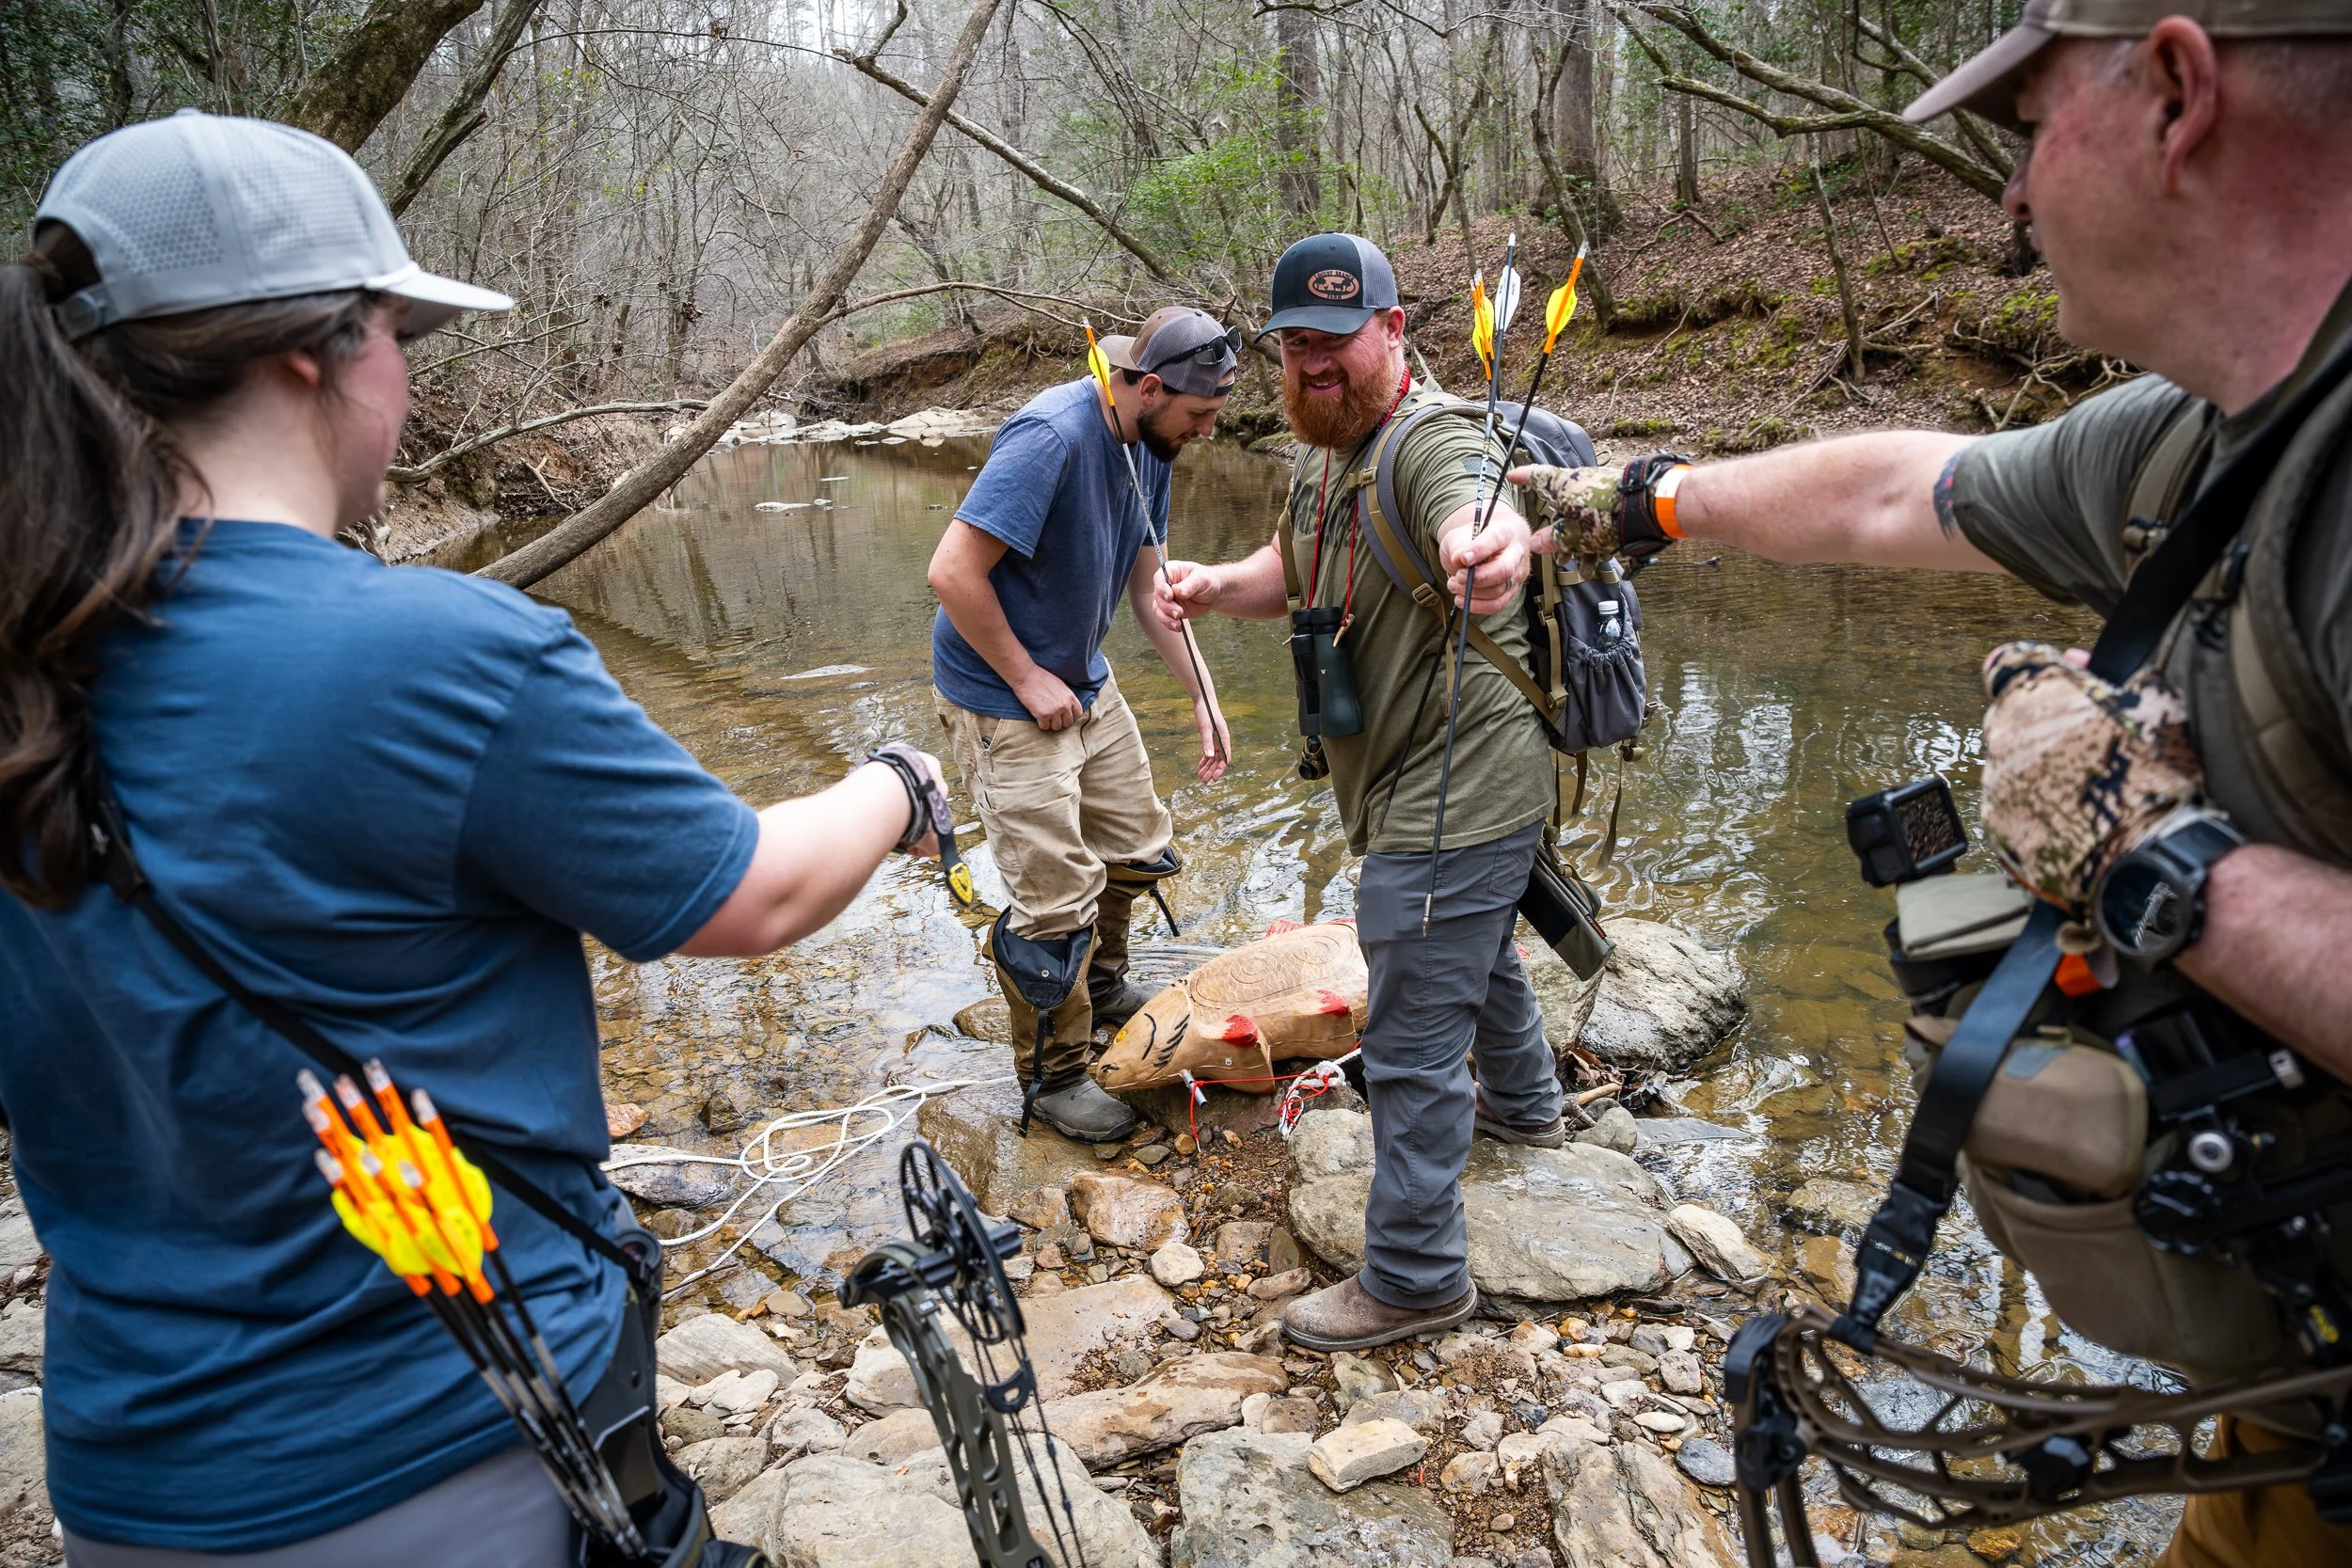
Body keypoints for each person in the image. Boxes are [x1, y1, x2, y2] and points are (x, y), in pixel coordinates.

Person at [0, 112, 946, 1566]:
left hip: (129, 1481)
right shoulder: (438, 653)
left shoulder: (25, 667)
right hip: (444, 1449)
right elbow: (752, 894)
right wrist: (896, 777)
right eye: (399, 332)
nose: (403, 375)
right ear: (317, 352)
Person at [1506, 10, 2352, 1564]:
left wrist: (2159, 864)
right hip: (2298, 1374)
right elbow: (1907, 489)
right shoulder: (2206, 443)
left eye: (2029, 130)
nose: (2012, 201)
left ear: (2176, 89)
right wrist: (1642, 501)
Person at [1153, 234, 1572, 1350]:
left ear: (1393, 331)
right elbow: (1292, 566)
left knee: (1408, 1041)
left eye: (1335, 341)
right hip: (1413, 785)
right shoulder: (1324, 449)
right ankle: (1529, 1108)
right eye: (1294, 343)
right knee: (1470, 954)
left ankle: (1416, 1275)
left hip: (1457, 787)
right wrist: (1211, 584)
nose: (1313, 362)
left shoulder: (1435, 437)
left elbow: (1471, 508)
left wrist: (1486, 547)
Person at [928, 305, 1236, 1143]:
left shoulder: (1153, 444)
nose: (1207, 432)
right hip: (1000, 693)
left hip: (1080, 682)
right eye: (1199, 415)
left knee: (1139, 846)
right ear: (1145, 385)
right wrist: (1026, 679)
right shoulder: (1052, 438)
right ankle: (1053, 1075)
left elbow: (1149, 590)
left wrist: (1205, 696)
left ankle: (1100, 988)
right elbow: (951, 572)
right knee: (1052, 900)